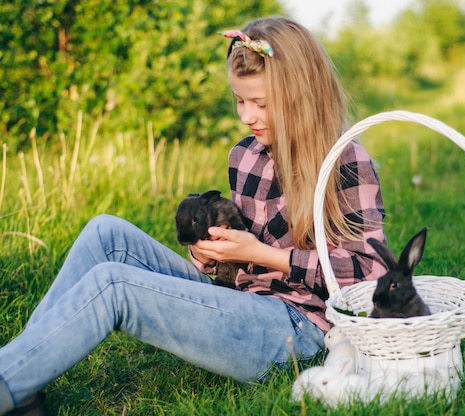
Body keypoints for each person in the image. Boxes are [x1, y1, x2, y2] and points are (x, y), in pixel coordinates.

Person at [0, 16, 387, 415]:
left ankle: (8, 383)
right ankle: (21, 377)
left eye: (262, 104)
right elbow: (238, 262)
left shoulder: (345, 163)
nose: (246, 116)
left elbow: (374, 275)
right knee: (106, 233)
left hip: (299, 330)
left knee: (113, 285)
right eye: (240, 100)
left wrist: (267, 256)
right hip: (241, 299)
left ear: (302, 98)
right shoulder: (246, 155)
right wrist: (209, 256)